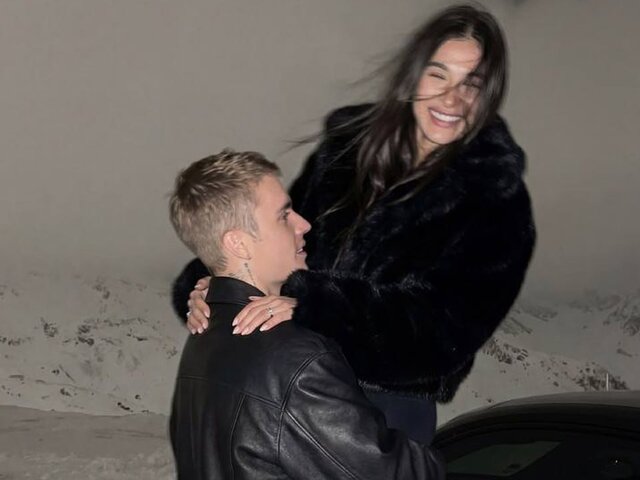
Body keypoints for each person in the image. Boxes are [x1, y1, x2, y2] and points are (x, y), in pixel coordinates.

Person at [176, 4, 536, 443]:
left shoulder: (496, 199)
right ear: (413, 76)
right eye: (438, 75)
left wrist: (315, 309)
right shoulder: (345, 153)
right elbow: (278, 234)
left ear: (489, 95)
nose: (451, 100)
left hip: (385, 410)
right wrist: (214, 282)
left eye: (471, 85)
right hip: (290, 373)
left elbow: (443, 336)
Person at [168, 149, 444, 479]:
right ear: (238, 244)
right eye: (284, 215)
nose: (304, 224)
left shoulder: (202, 338)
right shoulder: (298, 360)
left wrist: (317, 311)